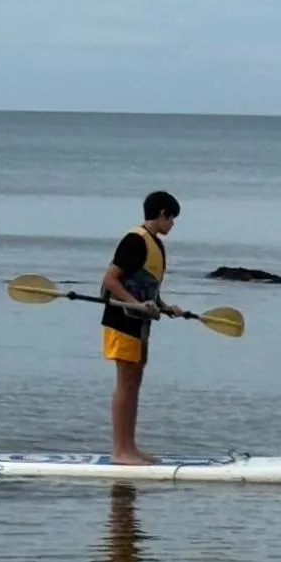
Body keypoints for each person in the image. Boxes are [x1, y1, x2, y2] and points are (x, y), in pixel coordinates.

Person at [99, 191, 186, 464]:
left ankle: (130, 448)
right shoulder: (135, 240)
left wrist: (165, 306)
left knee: (135, 382)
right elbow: (111, 281)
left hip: (141, 324)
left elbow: (149, 287)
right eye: (171, 218)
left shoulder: (156, 245)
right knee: (125, 383)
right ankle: (120, 452)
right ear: (161, 214)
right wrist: (135, 304)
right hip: (121, 321)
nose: (173, 224)